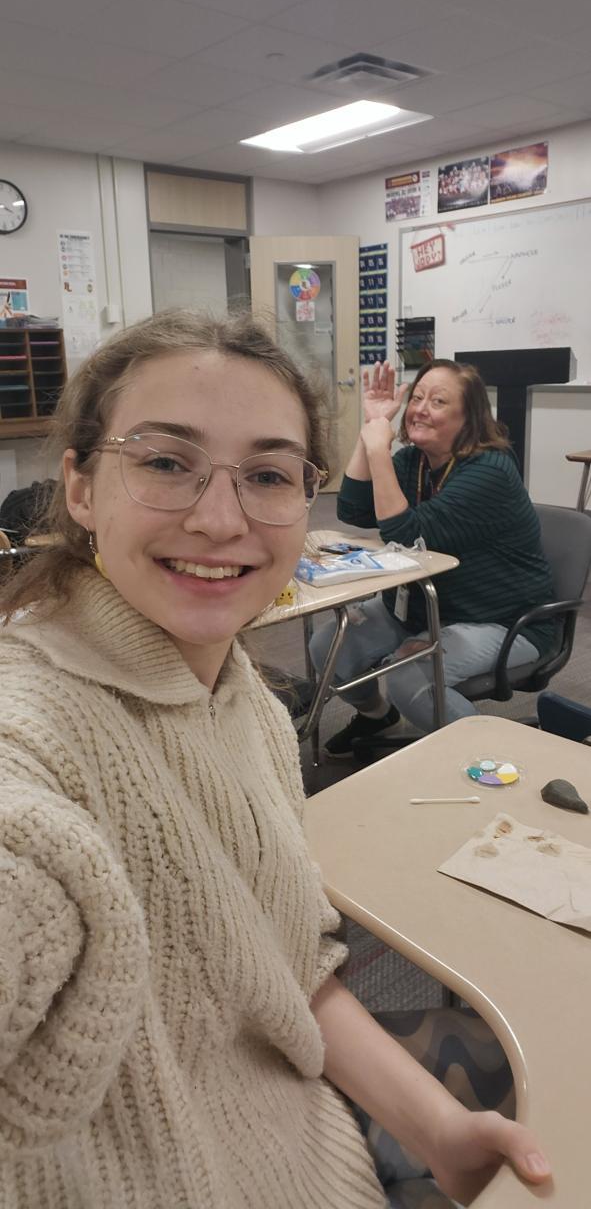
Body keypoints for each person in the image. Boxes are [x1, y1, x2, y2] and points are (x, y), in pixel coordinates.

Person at [0, 312, 551, 1208]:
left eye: (266, 474)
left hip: (494, 622)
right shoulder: (28, 731)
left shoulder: (248, 703)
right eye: (165, 461)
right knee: (358, 635)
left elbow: (284, 960)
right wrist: (378, 437)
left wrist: (437, 1128)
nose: (220, 520)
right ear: (81, 488)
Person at [311, 358, 556, 758]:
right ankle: (377, 717)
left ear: (469, 417)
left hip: (504, 620)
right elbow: (353, 510)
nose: (420, 409)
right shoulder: (415, 461)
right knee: (328, 647)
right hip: (424, 607)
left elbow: (405, 533)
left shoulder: (490, 471)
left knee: (410, 677)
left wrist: (378, 448)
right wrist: (370, 430)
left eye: (438, 401)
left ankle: (491, 762)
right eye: (417, 397)